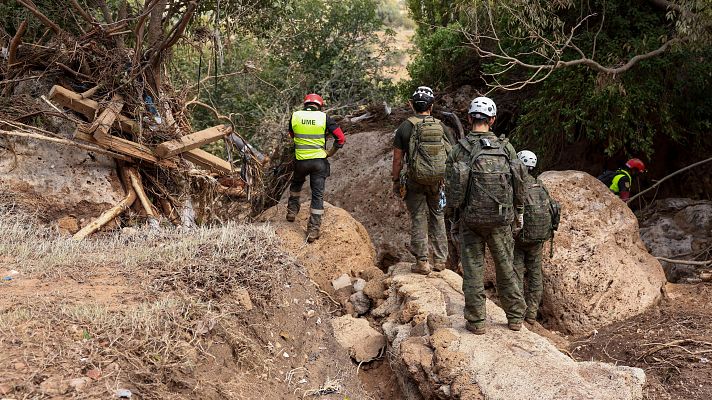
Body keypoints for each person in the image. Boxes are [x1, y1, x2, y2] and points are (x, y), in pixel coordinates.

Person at [445, 96, 527, 334]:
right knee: (506, 268)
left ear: (470, 118)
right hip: (501, 219)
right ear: (492, 119)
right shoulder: (506, 148)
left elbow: (451, 188)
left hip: (470, 220)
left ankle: (477, 322)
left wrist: (453, 217)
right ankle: (514, 318)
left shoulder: (459, 150)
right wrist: (518, 213)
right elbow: (519, 183)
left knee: (472, 270)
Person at [391, 86, 450, 274]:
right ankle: (441, 261)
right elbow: (452, 153)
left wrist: (395, 181)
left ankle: (422, 262)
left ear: (412, 105)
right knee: (438, 217)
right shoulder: (441, 126)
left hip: (414, 180)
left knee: (418, 217)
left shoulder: (404, 127)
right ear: (431, 106)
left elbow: (398, 159)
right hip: (437, 181)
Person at [286, 93, 345, 242]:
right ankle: (313, 230)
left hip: (300, 160)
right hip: (318, 162)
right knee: (317, 195)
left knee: (297, 183)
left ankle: (292, 211)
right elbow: (341, 138)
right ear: (320, 105)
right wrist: (330, 152)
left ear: (305, 104)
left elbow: (292, 135)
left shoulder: (295, 116)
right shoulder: (324, 118)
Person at [513, 150, 559, 325]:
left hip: (519, 238)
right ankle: (531, 314)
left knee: (516, 272)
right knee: (535, 275)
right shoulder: (540, 185)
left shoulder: (518, 185)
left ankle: (517, 310)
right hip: (538, 238)